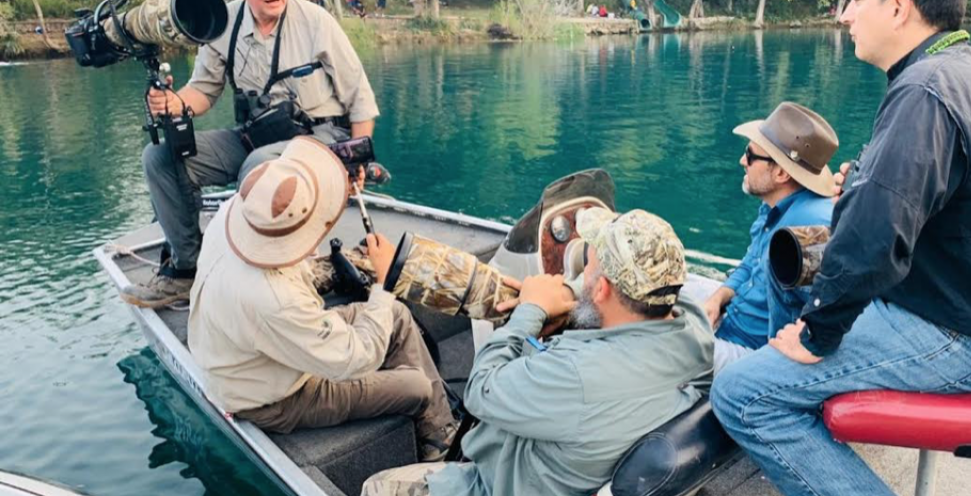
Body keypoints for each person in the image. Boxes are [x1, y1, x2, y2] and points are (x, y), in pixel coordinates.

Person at [711, 0, 971, 496]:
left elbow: (873, 242)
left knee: (742, 395)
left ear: (898, 6)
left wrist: (818, 334)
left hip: (969, 334)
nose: (845, 15)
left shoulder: (924, 92)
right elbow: (944, 198)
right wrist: (866, 185)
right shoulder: (959, 69)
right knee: (788, 295)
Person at [360, 208, 715, 496]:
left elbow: (482, 391)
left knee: (376, 486)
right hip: (587, 464)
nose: (581, 270)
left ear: (604, 288)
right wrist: (570, 294)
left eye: (587, 265)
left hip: (499, 486)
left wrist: (531, 309)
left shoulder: (576, 375)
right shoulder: (693, 328)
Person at [121, 0, 380, 309]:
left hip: (323, 137)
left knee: (259, 169)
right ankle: (186, 270)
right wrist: (174, 103)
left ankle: (274, 281)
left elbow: (361, 99)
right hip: (257, 134)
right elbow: (202, 92)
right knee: (160, 156)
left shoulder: (315, 20)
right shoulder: (222, 24)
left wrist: (357, 159)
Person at [187, 137, 457, 459]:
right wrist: (384, 281)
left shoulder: (236, 212)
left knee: (396, 315)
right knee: (418, 387)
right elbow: (356, 359)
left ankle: (440, 431)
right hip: (275, 398)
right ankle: (439, 437)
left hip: (253, 352)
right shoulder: (276, 300)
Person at [696, 103, 838, 373]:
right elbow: (749, 265)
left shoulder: (812, 230)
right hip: (730, 319)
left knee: (648, 338)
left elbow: (826, 313)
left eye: (750, 155)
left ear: (782, 173)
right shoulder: (774, 205)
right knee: (672, 286)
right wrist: (717, 299)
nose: (742, 161)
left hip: (749, 350)